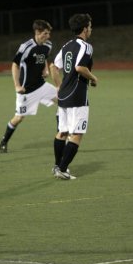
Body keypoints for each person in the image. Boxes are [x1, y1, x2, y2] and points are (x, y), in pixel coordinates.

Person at [49, 13, 98, 180]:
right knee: (77, 133)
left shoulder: (66, 45)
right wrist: (93, 78)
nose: (91, 29)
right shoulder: (86, 46)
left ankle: (57, 166)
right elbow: (79, 68)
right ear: (85, 29)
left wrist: (59, 86)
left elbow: (53, 67)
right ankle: (62, 169)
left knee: (62, 131)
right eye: (90, 27)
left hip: (63, 95)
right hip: (77, 95)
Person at [0, 19, 58, 153]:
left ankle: (62, 134)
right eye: (45, 33)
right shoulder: (26, 47)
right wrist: (17, 86)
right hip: (27, 91)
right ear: (37, 32)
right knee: (19, 118)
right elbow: (15, 65)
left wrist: (45, 70)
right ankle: (4, 141)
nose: (48, 36)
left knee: (63, 100)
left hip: (41, 86)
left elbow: (43, 57)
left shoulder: (48, 45)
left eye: (48, 33)